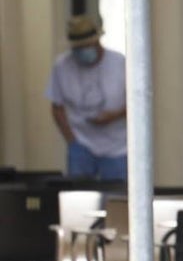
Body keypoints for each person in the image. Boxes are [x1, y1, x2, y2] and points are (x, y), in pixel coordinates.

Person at [45, 15, 128, 180]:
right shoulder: (62, 66)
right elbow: (57, 107)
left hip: (117, 147)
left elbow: (137, 105)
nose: (83, 52)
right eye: (78, 48)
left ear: (97, 42)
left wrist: (114, 116)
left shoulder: (120, 63)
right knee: (78, 199)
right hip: (81, 144)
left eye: (87, 46)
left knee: (117, 199)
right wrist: (72, 141)